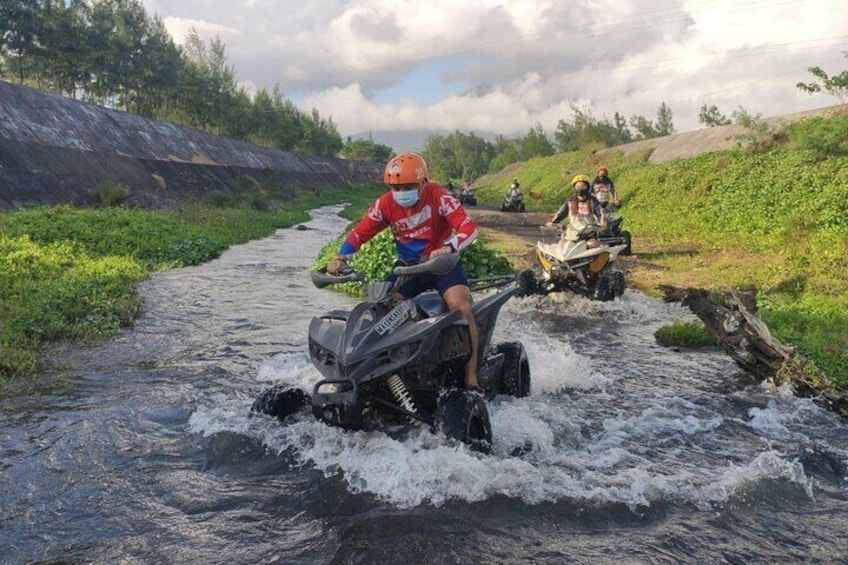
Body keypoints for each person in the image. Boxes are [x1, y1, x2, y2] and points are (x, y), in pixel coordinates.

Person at [326, 153, 483, 392]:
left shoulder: (439, 197)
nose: (401, 192)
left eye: (408, 187)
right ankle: (379, 373)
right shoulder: (384, 204)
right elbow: (360, 233)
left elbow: (468, 228)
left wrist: (449, 246)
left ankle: (471, 377)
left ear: (423, 183)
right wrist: (341, 257)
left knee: (461, 306)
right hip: (407, 269)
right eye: (395, 187)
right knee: (378, 309)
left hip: (441, 266)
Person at [546, 174, 607, 248]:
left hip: (588, 233)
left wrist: (603, 223)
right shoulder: (570, 201)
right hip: (572, 234)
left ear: (587, 187)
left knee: (593, 244)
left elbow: (601, 213)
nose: (580, 189)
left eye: (582, 186)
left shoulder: (593, 201)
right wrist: (552, 222)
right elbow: (560, 214)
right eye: (577, 186)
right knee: (564, 247)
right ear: (574, 188)